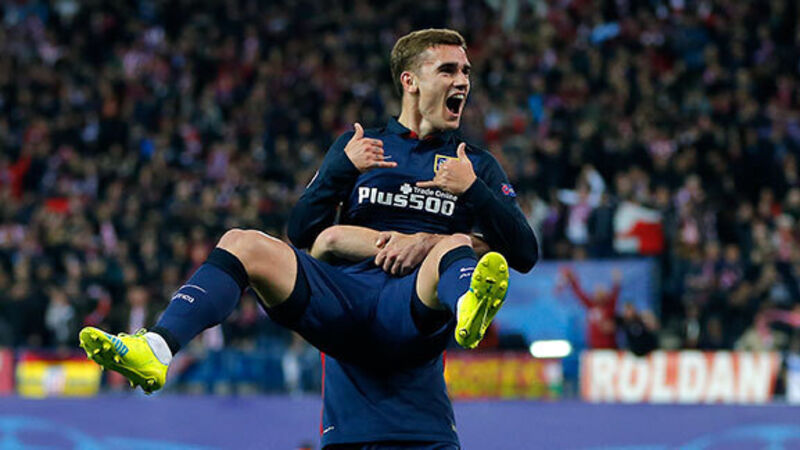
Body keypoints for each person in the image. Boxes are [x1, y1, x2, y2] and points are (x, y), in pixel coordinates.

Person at [79, 29, 538, 448]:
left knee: (452, 247)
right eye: (449, 70)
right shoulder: (361, 146)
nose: (463, 81)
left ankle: (469, 310)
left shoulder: (471, 164)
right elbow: (302, 232)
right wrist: (340, 170)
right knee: (242, 242)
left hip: (411, 304)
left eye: (466, 72)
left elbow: (524, 252)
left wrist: (471, 192)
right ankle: (156, 348)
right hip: (345, 297)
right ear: (410, 81)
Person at [562, 267, 621, 349]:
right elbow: (579, 294)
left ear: (606, 295)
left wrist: (617, 282)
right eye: (597, 293)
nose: (599, 295)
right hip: (594, 346)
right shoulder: (590, 305)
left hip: (609, 347)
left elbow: (615, 294)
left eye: (602, 293)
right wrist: (573, 281)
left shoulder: (610, 307)